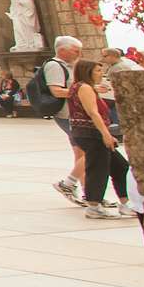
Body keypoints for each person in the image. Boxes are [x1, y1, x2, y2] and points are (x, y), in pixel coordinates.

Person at [69, 57, 131, 220]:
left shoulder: (83, 87)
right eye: (97, 70)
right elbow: (93, 113)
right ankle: (94, 206)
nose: (101, 73)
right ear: (87, 71)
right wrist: (106, 134)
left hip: (88, 133)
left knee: (120, 167)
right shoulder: (85, 88)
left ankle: (125, 204)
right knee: (98, 169)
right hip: (92, 134)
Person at [45, 37, 86, 203]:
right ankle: (68, 183)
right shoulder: (54, 65)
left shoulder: (69, 66)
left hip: (74, 114)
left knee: (81, 153)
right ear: (62, 50)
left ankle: (89, 193)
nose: (79, 54)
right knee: (89, 151)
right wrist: (85, 91)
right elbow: (56, 91)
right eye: (75, 50)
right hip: (66, 114)